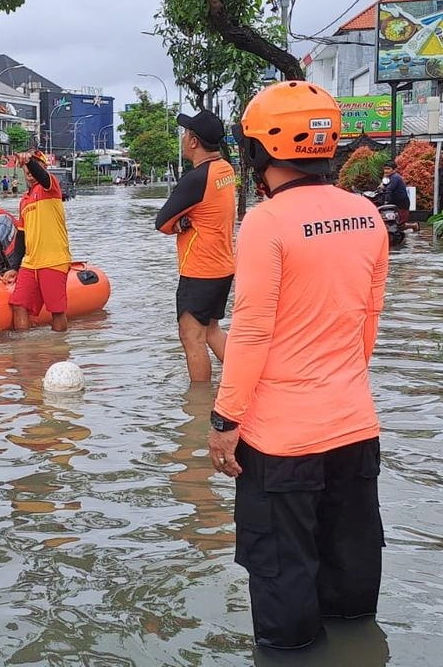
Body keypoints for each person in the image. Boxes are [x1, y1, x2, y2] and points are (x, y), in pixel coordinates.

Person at [207, 81, 389, 650]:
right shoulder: (367, 214)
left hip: (281, 446)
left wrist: (223, 420)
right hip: (355, 431)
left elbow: (253, 331)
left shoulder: (266, 221)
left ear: (260, 152)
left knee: (286, 616)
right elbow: (367, 326)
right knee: (353, 599)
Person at [155, 110, 237, 384]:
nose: (182, 137)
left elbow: (162, 222)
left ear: (193, 142)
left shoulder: (196, 179)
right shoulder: (225, 169)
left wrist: (178, 223)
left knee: (191, 336)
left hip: (200, 269)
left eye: (185, 133)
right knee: (211, 330)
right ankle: (247, 381)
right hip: (223, 266)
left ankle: (199, 407)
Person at [1, 151, 72, 332]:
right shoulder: (24, 201)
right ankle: (25, 354)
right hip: (31, 262)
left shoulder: (51, 187)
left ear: (43, 168)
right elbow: (21, 236)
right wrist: (13, 267)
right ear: (23, 171)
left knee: (56, 311)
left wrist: (30, 161)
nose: (31, 172)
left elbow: (42, 177)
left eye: (35, 167)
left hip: (54, 259)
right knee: (18, 305)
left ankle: (59, 352)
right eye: (27, 169)